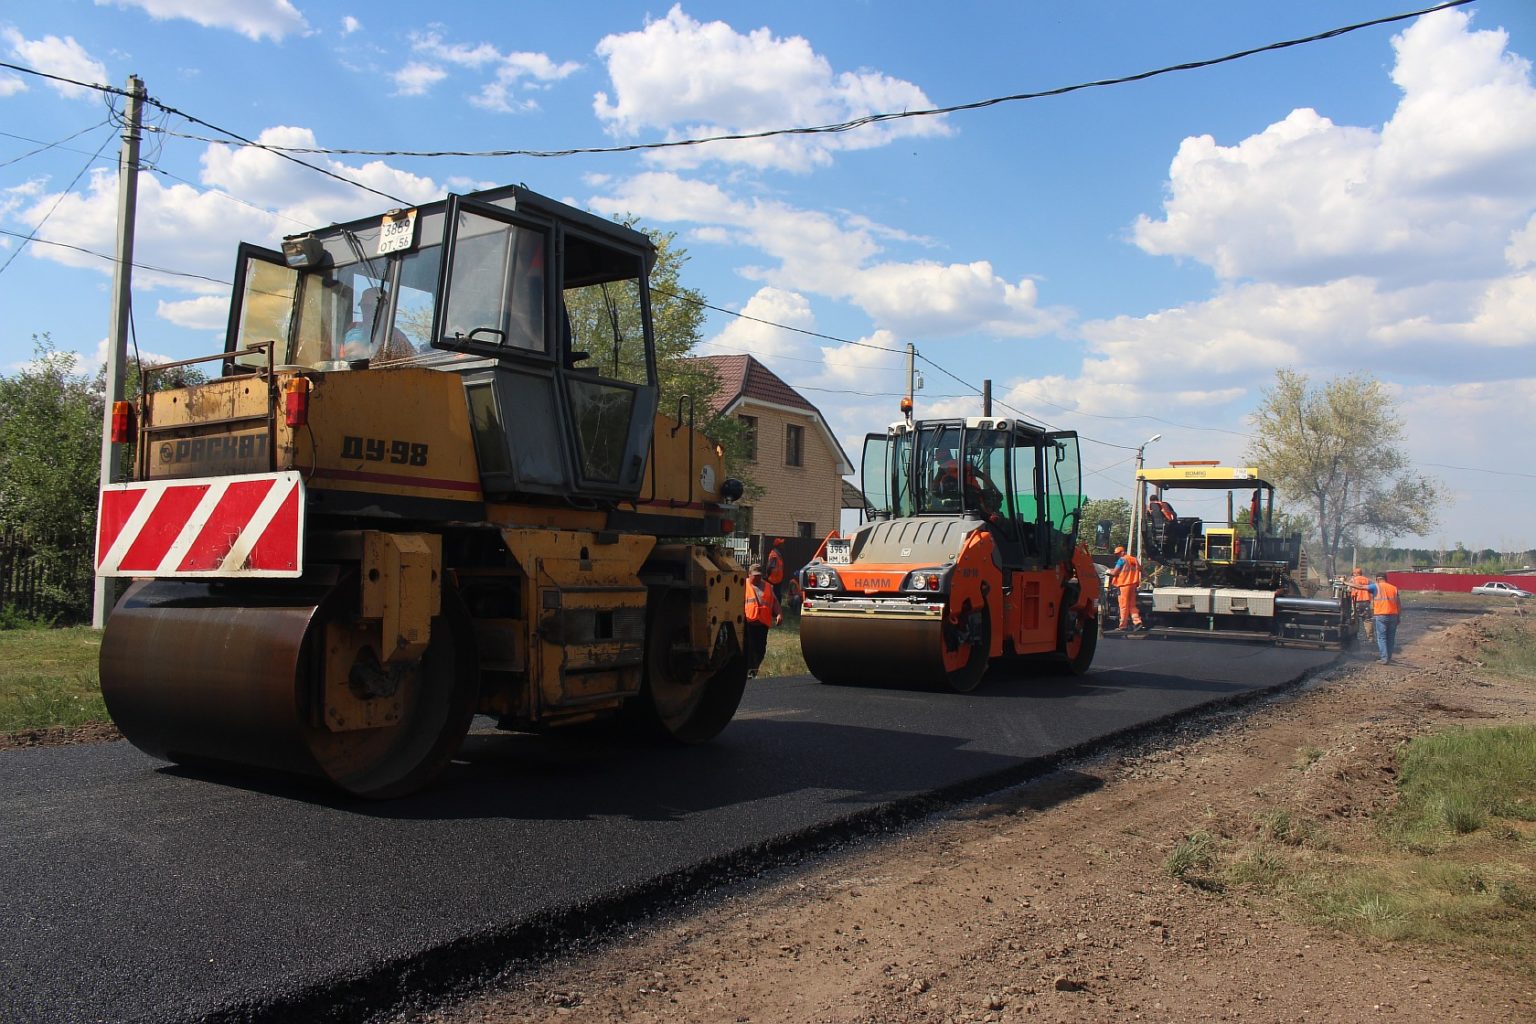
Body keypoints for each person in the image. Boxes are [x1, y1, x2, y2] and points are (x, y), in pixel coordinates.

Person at [342, 288, 414, 362]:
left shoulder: (396, 334)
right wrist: (360, 350)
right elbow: (353, 350)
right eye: (364, 306)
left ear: (385, 308)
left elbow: (413, 359)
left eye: (371, 306)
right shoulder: (357, 328)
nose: (366, 311)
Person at [743, 561, 782, 679]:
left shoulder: (767, 587)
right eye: (755, 575)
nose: (757, 577)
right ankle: (749, 672)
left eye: (759, 575)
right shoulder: (742, 586)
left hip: (762, 624)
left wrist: (779, 614)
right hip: (748, 623)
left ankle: (753, 670)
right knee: (749, 648)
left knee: (761, 649)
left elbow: (774, 602)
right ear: (749, 574)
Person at [1108, 545, 1144, 631]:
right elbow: (1141, 569)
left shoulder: (1122, 560)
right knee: (1132, 605)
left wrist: (1108, 571)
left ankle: (1123, 626)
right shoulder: (1134, 559)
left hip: (1124, 585)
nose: (1117, 555)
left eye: (1118, 554)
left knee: (1123, 606)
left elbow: (1115, 573)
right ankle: (1137, 621)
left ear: (1122, 552)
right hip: (1133, 585)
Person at [1350, 566, 1374, 641]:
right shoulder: (1367, 580)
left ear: (1355, 574)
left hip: (1356, 602)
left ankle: (1353, 637)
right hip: (1366, 602)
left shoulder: (1352, 580)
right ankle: (1370, 638)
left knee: (1354, 619)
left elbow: (1348, 590)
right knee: (1367, 620)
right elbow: (1372, 589)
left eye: (1353, 574)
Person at [764, 538, 786, 602]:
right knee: (774, 597)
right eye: (782, 544)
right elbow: (769, 567)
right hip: (773, 580)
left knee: (777, 596)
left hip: (778, 580)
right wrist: (767, 576)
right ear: (778, 545)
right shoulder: (774, 555)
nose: (783, 545)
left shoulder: (778, 555)